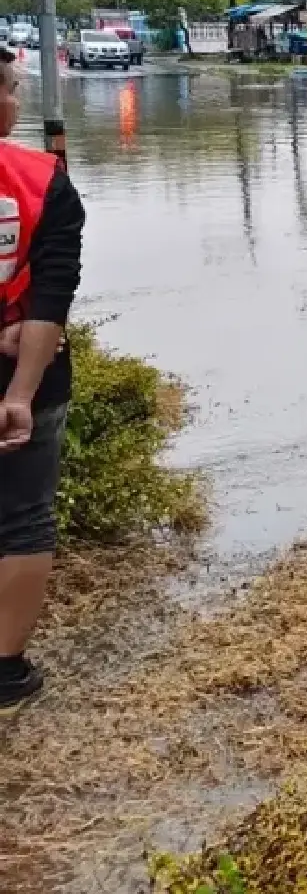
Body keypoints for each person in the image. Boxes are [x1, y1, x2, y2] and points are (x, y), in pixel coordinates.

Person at [0, 47, 86, 716]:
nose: (20, 95)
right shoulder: (41, 179)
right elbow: (52, 295)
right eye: (15, 85)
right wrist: (21, 394)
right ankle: (7, 670)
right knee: (24, 517)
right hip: (23, 372)